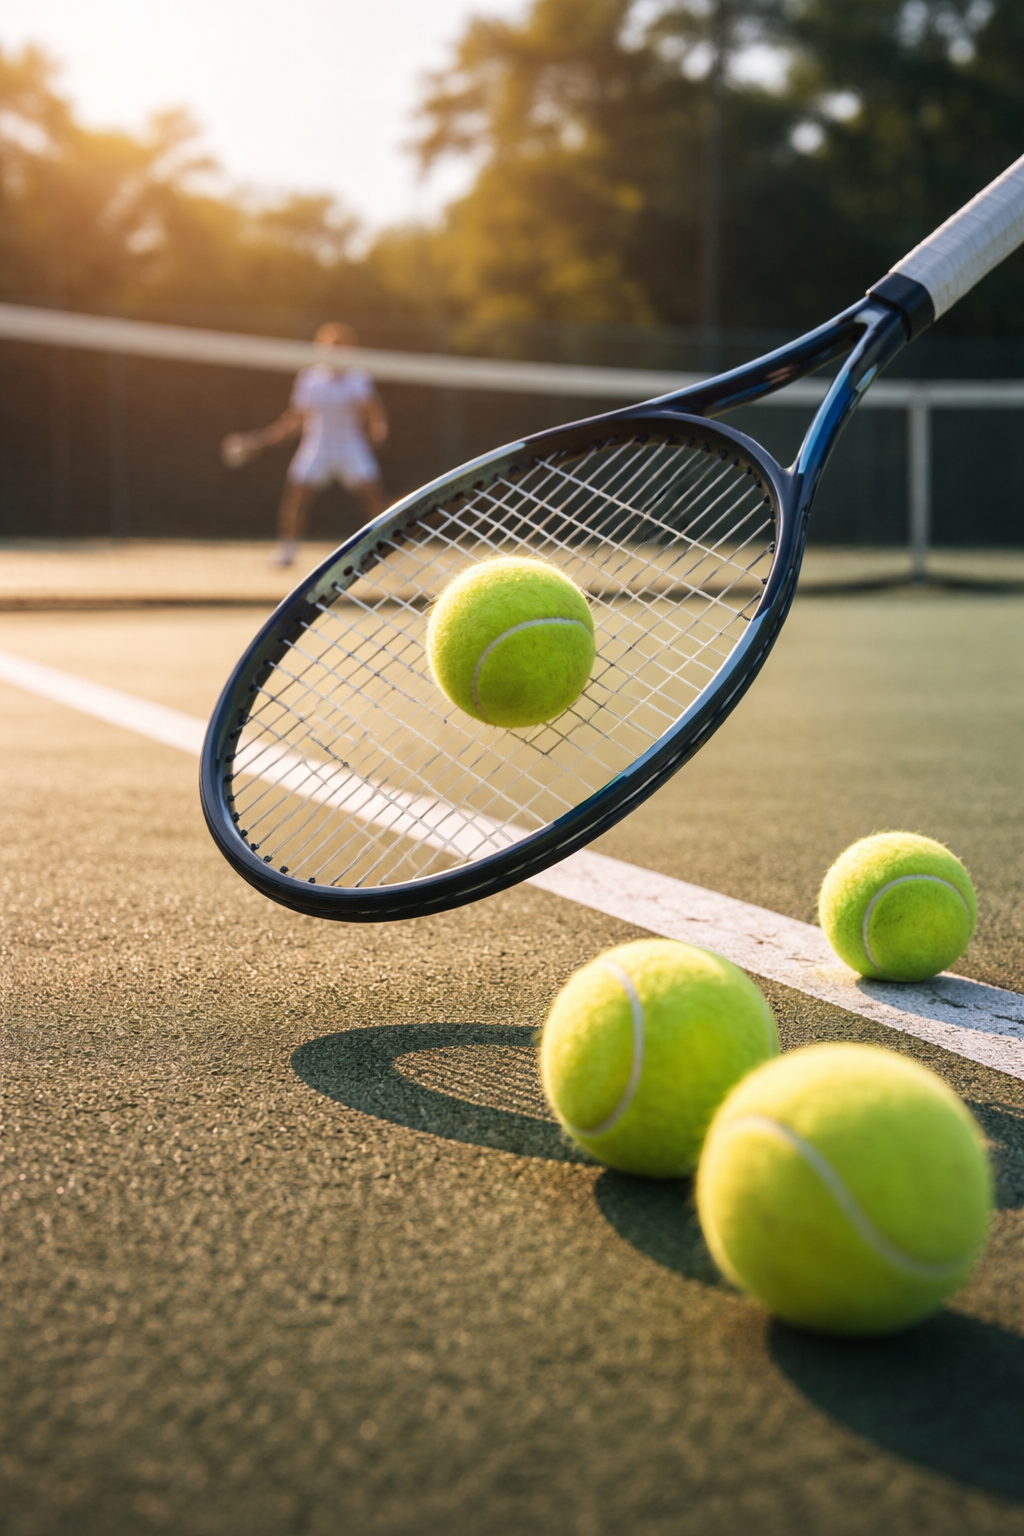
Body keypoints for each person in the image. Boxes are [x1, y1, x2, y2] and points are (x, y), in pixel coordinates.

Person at [222, 321, 389, 567]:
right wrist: (260, 439)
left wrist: (378, 430)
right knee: (296, 498)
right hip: (317, 446)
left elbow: (373, 412)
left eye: (341, 346)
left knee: (375, 501)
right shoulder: (310, 379)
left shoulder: (358, 379)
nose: (335, 352)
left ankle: (386, 544)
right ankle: (287, 551)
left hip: (351, 447)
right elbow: (296, 419)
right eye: (330, 346)